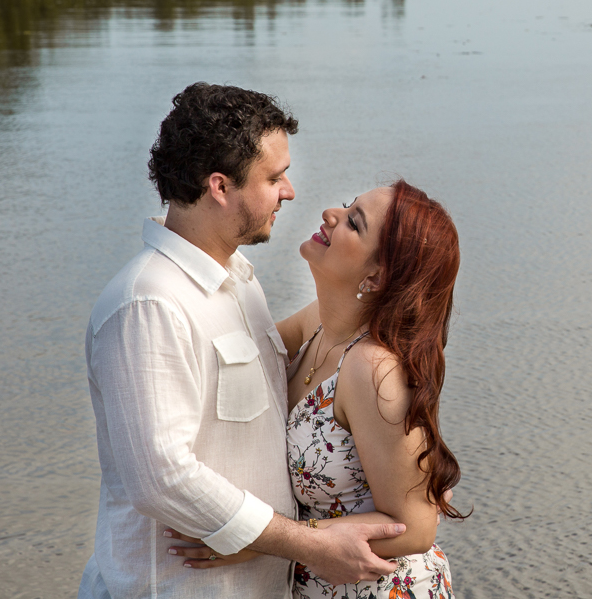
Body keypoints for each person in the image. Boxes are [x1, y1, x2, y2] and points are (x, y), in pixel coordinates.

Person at [80, 83, 405, 599]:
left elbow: (340, 348)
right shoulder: (148, 303)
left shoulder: (238, 281)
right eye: (274, 177)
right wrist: (309, 545)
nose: (291, 191)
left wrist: (415, 456)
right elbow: (161, 477)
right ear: (219, 186)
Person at [169, 181, 464, 599]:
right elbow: (229, 357)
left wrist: (259, 540)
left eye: (354, 223)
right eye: (348, 206)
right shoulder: (318, 325)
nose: (330, 213)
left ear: (377, 276)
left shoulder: (371, 368)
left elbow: (416, 527)